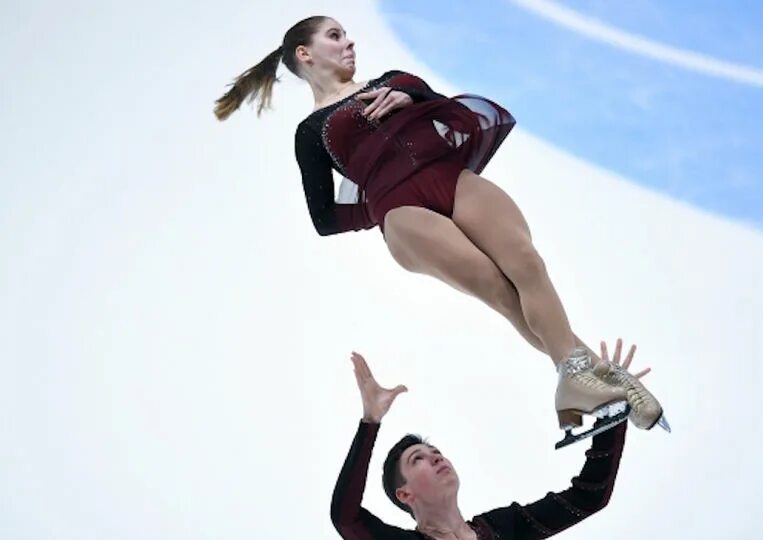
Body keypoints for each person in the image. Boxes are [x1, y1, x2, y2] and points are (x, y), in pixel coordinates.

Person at [213, 16, 668, 443]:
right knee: (500, 290)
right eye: (334, 36)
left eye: (347, 34)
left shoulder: (396, 80)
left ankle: (583, 380)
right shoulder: (311, 132)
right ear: (304, 54)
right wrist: (379, 204)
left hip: (452, 179)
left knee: (527, 264)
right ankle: (595, 379)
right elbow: (325, 219)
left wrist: (413, 100)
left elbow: (458, 117)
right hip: (402, 212)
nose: (349, 42)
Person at [332, 344, 647, 539]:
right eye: (418, 459)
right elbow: (346, 519)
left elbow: (587, 498)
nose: (436, 458)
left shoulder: (501, 528)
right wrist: (370, 422)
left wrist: (611, 415)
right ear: (405, 493)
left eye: (435, 452)